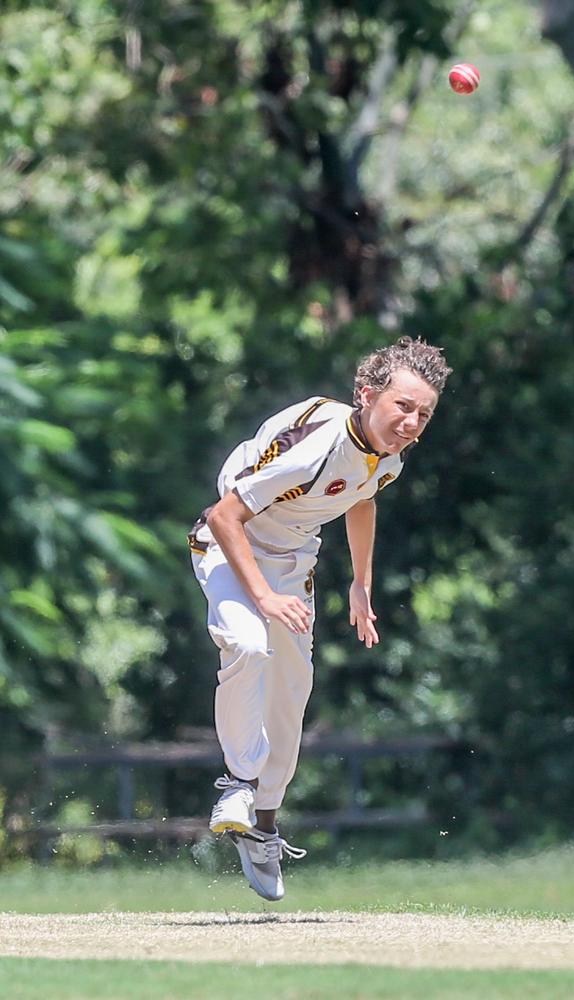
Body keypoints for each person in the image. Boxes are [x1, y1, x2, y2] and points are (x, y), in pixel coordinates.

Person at [188, 336, 451, 900]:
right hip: (228, 546)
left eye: (423, 413)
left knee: (292, 694)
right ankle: (236, 782)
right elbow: (224, 514)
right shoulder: (319, 444)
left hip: (290, 563)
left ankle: (262, 826)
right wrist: (263, 597)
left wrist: (360, 582)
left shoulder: (389, 458)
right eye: (403, 405)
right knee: (248, 644)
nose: (411, 421)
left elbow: (361, 497)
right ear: (367, 394)